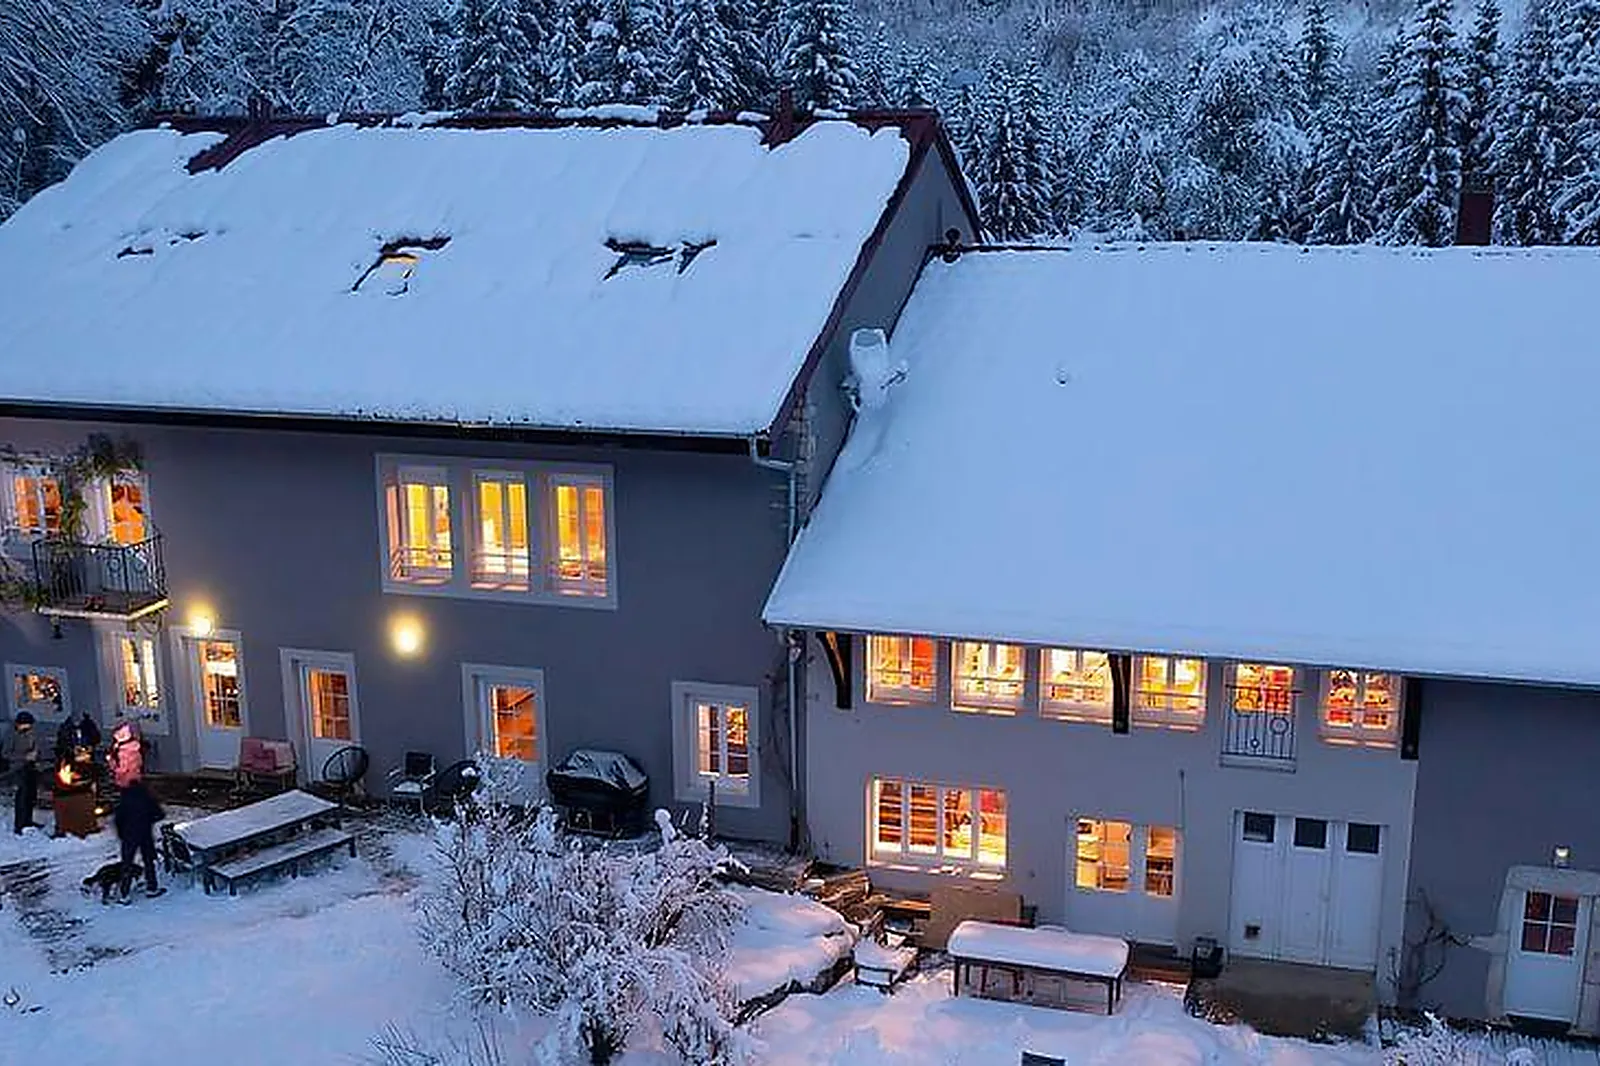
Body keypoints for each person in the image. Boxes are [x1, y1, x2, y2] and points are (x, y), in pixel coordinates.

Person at [113, 775, 165, 900]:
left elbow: (118, 820)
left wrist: (122, 834)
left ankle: (124, 894)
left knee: (127, 863)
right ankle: (152, 888)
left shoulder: (123, 799)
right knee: (148, 861)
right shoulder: (147, 797)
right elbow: (159, 814)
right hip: (145, 834)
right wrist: (148, 820)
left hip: (129, 835)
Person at [5, 711, 41, 835]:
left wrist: (36, 755)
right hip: (18, 768)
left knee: (31, 795)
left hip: (30, 767)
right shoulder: (11, 735)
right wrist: (24, 756)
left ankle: (28, 820)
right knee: (22, 796)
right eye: (26, 725)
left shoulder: (30, 732)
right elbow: (6, 754)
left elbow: (35, 746)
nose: (28, 727)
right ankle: (19, 824)